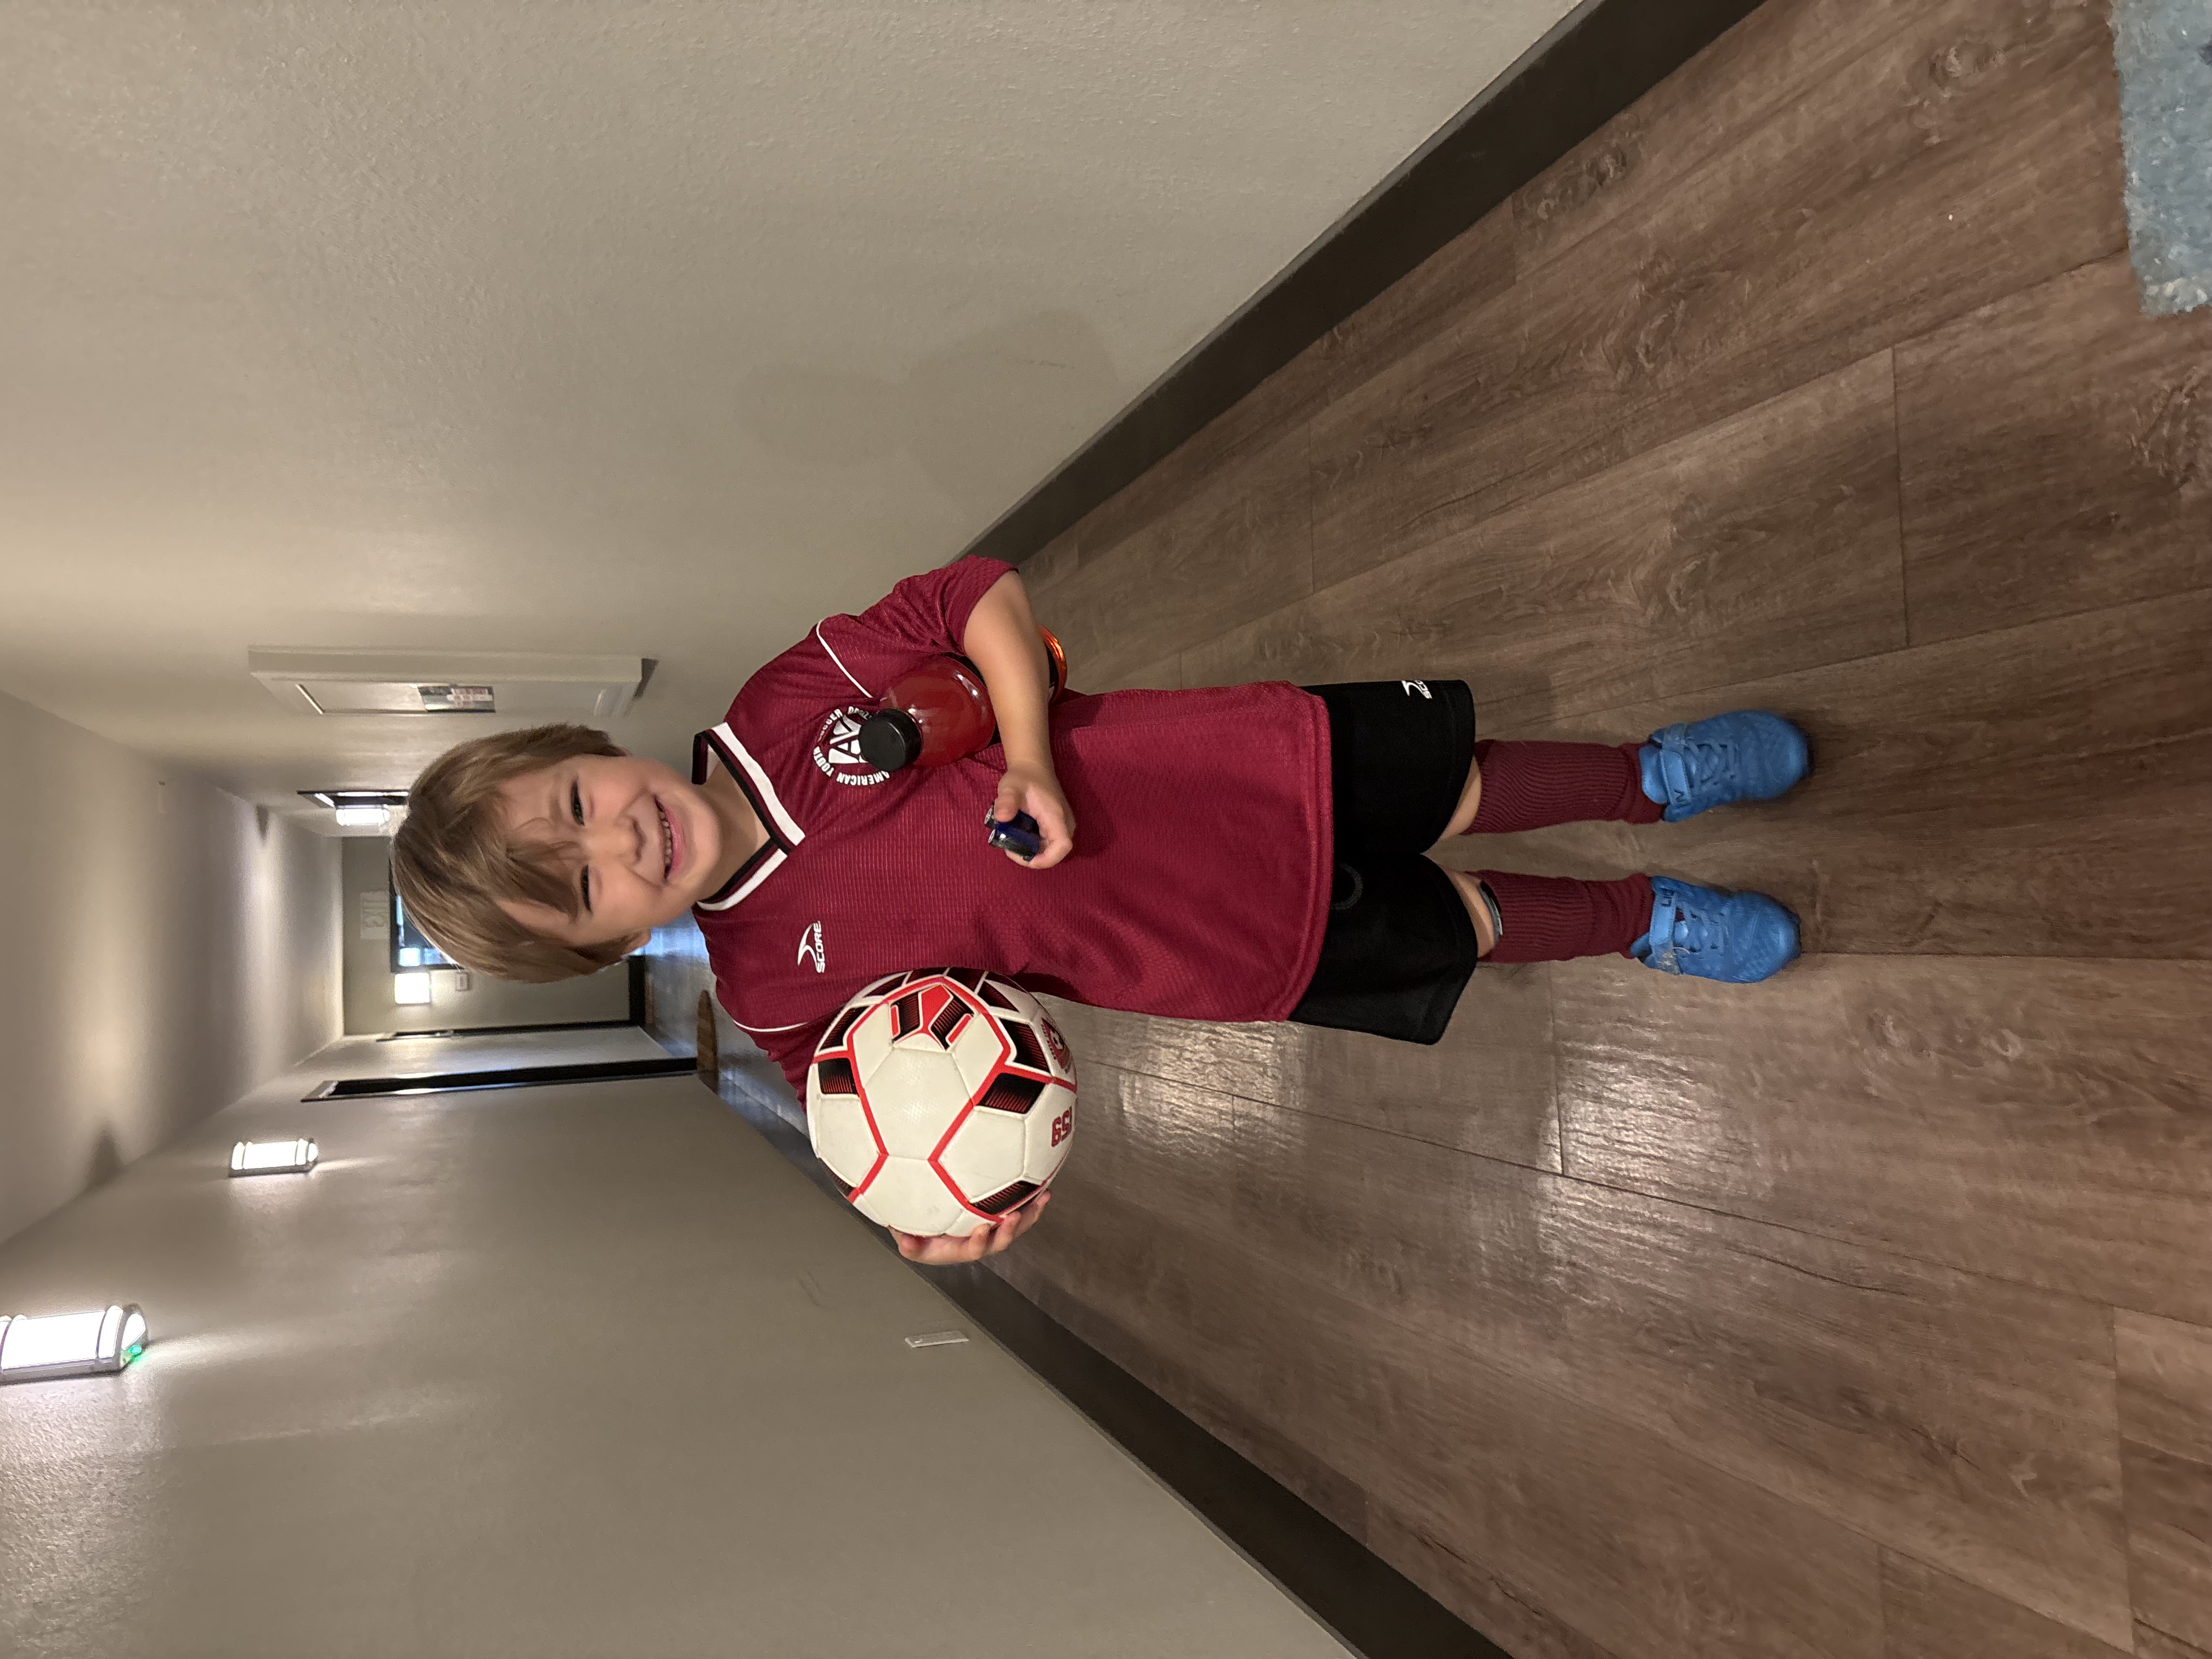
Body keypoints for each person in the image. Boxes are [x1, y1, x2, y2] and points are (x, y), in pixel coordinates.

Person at [393, 557, 1807, 1265]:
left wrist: (1020, 746)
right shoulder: (769, 988)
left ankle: (1651, 775)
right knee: (1472, 926)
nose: (619, 837)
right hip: (1209, 951)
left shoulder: (785, 705)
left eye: (578, 798)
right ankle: (1640, 917)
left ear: (594, 746)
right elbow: (871, 1120)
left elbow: (979, 594)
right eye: (586, 887)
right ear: (613, 944)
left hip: (1231, 771)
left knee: (1465, 790)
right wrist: (928, 1212)